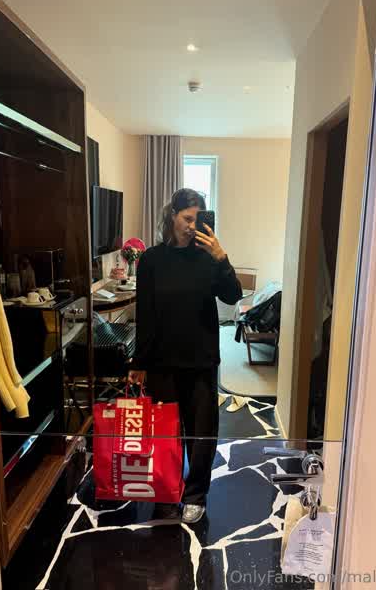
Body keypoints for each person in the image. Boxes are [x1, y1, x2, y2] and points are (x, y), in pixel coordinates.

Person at [128, 188, 242, 523]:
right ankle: (167, 491)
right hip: (162, 363)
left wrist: (221, 257)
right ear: (172, 216)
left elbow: (233, 296)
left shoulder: (208, 258)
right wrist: (139, 362)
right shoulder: (151, 260)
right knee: (165, 433)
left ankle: (195, 495)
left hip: (201, 360)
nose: (192, 226)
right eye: (187, 218)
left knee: (201, 433)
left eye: (197, 219)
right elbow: (145, 314)